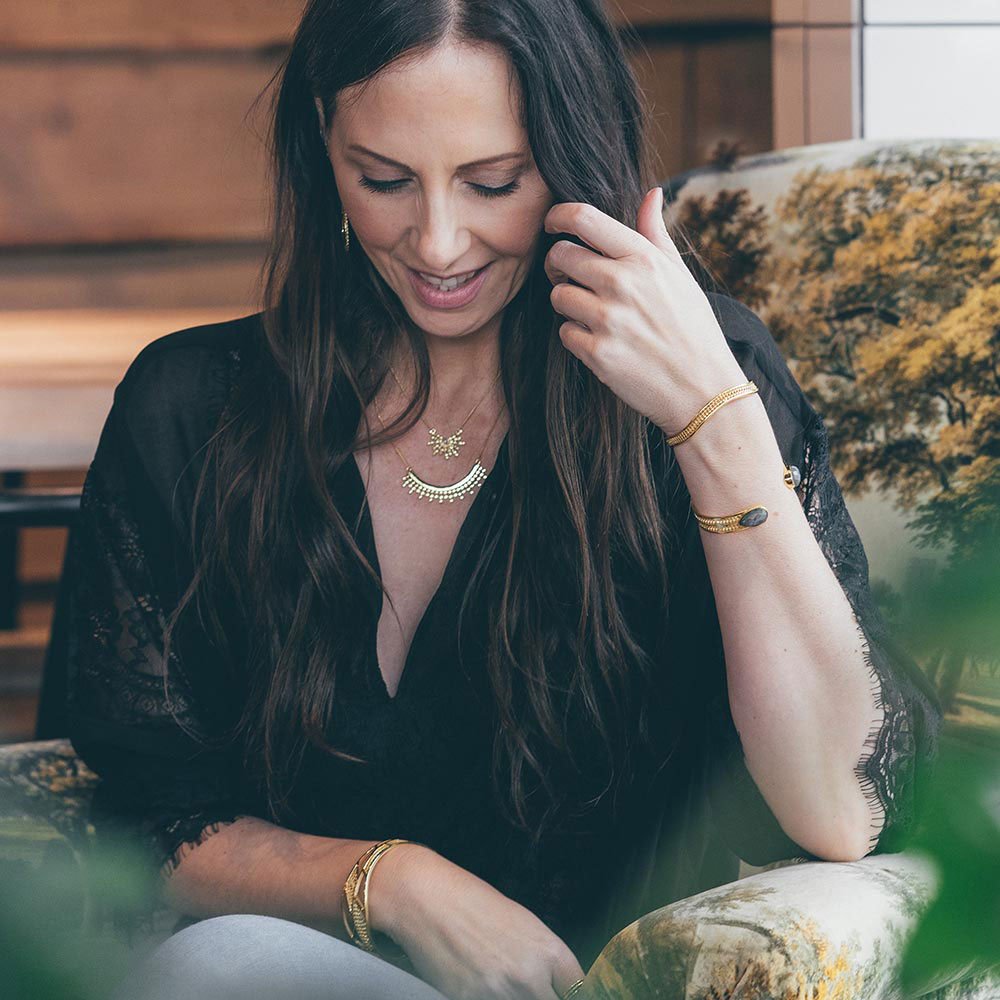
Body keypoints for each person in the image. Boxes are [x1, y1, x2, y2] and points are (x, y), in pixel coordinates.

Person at [64, 1, 943, 998]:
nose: (438, 244)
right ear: (322, 140)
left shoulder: (705, 384)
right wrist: (392, 882)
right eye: (383, 179)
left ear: (572, 156)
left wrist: (714, 422)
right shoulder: (196, 407)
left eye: (495, 182)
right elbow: (150, 816)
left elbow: (843, 807)